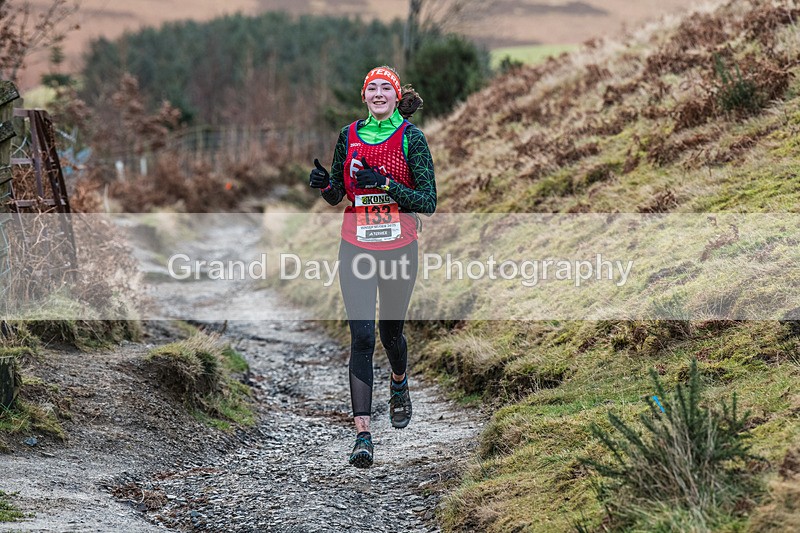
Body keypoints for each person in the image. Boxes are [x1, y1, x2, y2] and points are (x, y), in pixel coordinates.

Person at [309, 66, 436, 468]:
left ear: (397, 97)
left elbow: (428, 201)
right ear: (364, 96)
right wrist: (323, 184)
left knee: (390, 333)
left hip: (399, 247)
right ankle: (363, 435)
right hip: (356, 247)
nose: (378, 93)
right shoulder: (348, 136)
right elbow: (338, 193)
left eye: (386, 88)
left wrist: (386, 184)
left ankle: (399, 381)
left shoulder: (412, 139)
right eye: (372, 88)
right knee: (362, 337)